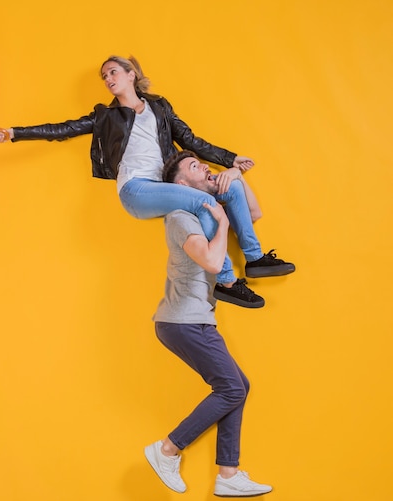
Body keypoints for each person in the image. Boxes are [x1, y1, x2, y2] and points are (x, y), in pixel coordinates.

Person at [0, 55, 294, 308]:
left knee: (233, 186)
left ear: (132, 74)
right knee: (206, 202)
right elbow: (62, 129)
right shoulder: (105, 116)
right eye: (104, 76)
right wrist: (13, 133)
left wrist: (230, 159)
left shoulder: (160, 107)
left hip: (168, 185)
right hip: (136, 190)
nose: (108, 79)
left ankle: (254, 259)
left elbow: (190, 139)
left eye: (113, 72)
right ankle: (226, 281)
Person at [144, 150, 272, 496]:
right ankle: (168, 449)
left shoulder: (207, 213)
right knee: (231, 388)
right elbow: (214, 262)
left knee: (237, 386)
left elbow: (256, 212)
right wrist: (225, 222)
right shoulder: (181, 216)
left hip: (196, 320)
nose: (205, 167)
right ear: (182, 184)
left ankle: (228, 475)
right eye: (195, 166)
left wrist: (236, 176)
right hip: (181, 322)